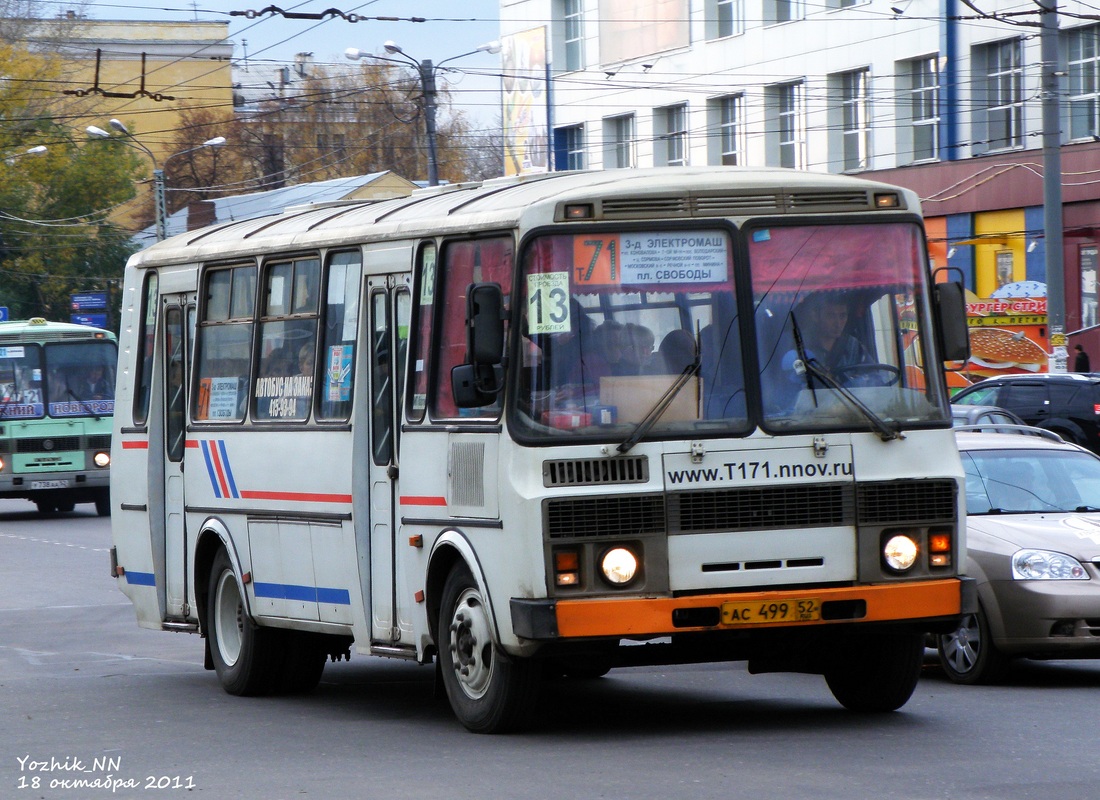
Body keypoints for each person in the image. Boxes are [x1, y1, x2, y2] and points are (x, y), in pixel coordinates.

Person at [796, 294, 872, 377]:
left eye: (842, 316)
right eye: (831, 316)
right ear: (815, 316)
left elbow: (875, 377)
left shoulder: (854, 346)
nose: (838, 323)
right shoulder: (800, 345)